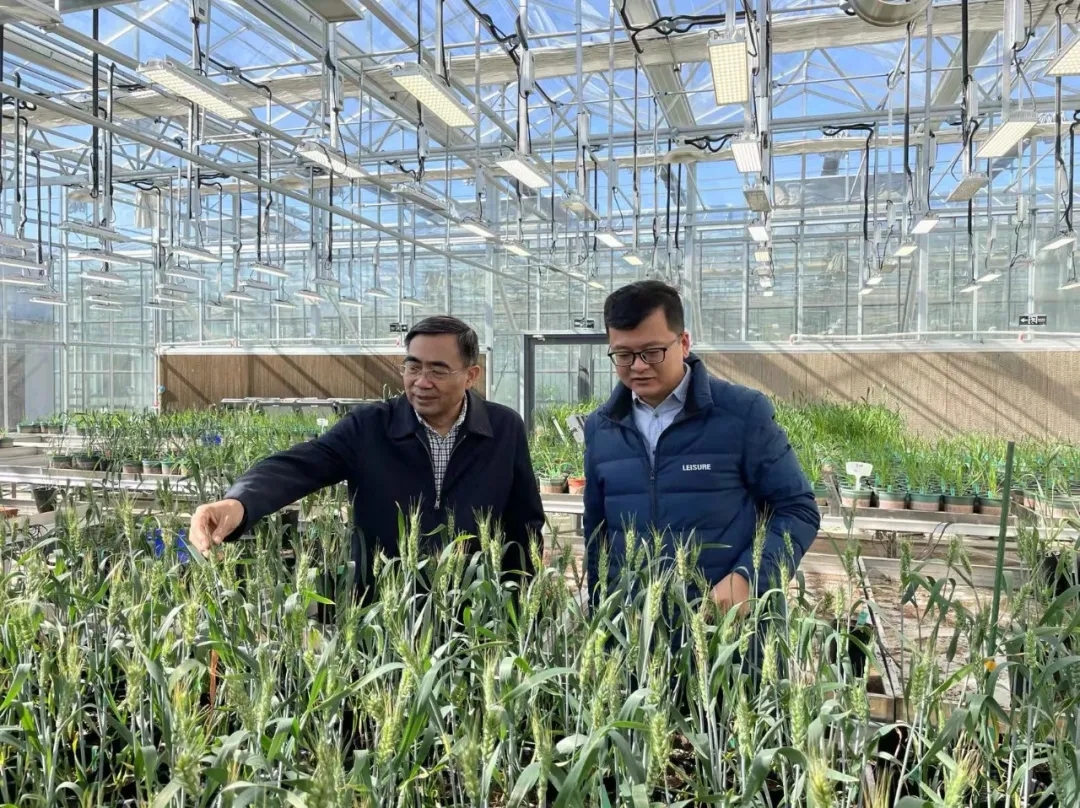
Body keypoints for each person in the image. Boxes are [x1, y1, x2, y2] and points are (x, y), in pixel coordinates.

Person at [188, 315, 545, 602]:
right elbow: (300, 464)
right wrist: (239, 502)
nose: (422, 382)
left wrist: (522, 604)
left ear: (471, 376)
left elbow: (523, 524)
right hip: (383, 609)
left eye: (438, 371)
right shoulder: (370, 427)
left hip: (475, 609)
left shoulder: (504, 428)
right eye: (413, 367)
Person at [582, 280, 820, 613]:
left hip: (724, 628)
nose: (637, 365)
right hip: (637, 629)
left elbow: (798, 509)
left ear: (684, 343)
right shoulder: (601, 427)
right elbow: (598, 534)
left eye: (652, 352)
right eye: (623, 354)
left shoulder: (741, 413)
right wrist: (600, 613)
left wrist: (749, 579)